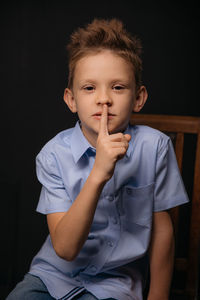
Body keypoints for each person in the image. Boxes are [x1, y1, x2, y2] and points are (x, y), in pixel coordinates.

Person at [6, 18, 189, 300]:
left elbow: (162, 228)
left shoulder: (155, 147)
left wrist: (158, 295)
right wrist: (98, 173)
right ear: (71, 100)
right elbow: (65, 249)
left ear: (138, 98)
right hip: (52, 276)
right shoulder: (53, 155)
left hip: (116, 284)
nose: (104, 99)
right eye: (89, 88)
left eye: (117, 87)